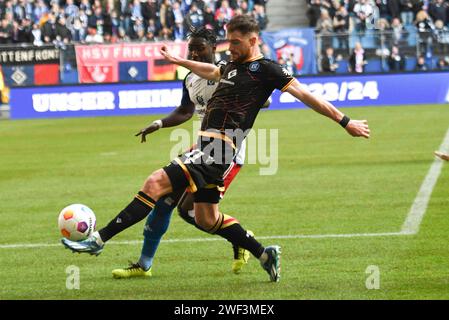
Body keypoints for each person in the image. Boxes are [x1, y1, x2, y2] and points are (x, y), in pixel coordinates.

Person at [62, 15, 370, 283]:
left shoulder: (268, 70)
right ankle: (264, 254)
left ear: (253, 40)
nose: (231, 48)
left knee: (156, 183)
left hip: (220, 148)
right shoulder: (231, 66)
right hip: (210, 147)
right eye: (229, 42)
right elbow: (210, 71)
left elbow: (307, 95)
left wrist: (345, 121)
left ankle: (99, 239)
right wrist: (179, 61)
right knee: (206, 219)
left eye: (236, 43)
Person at [110, 27, 261, 279]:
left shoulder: (230, 71)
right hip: (202, 148)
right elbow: (185, 111)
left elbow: (259, 95)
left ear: (214, 48)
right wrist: (158, 123)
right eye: (191, 48)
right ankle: (144, 264)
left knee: (192, 212)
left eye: (199, 48)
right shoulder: (190, 77)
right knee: (169, 202)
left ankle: (242, 240)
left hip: (228, 152)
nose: (194, 53)